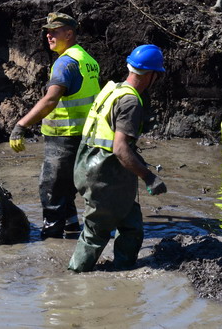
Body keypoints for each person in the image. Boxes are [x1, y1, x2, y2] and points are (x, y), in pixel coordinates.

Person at [67, 44, 167, 272]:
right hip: (104, 175)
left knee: (130, 224)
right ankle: (74, 279)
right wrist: (149, 176)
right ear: (151, 75)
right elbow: (121, 149)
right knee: (96, 232)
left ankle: (124, 271)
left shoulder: (112, 89)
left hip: (88, 167)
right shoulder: (130, 102)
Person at [8, 12, 101, 239]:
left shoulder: (65, 63)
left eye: (54, 31)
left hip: (64, 137)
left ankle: (50, 238)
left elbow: (50, 100)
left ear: (69, 34)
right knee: (66, 190)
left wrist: (21, 125)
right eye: (47, 32)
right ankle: (70, 231)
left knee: (51, 190)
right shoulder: (86, 59)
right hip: (84, 135)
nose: (49, 36)